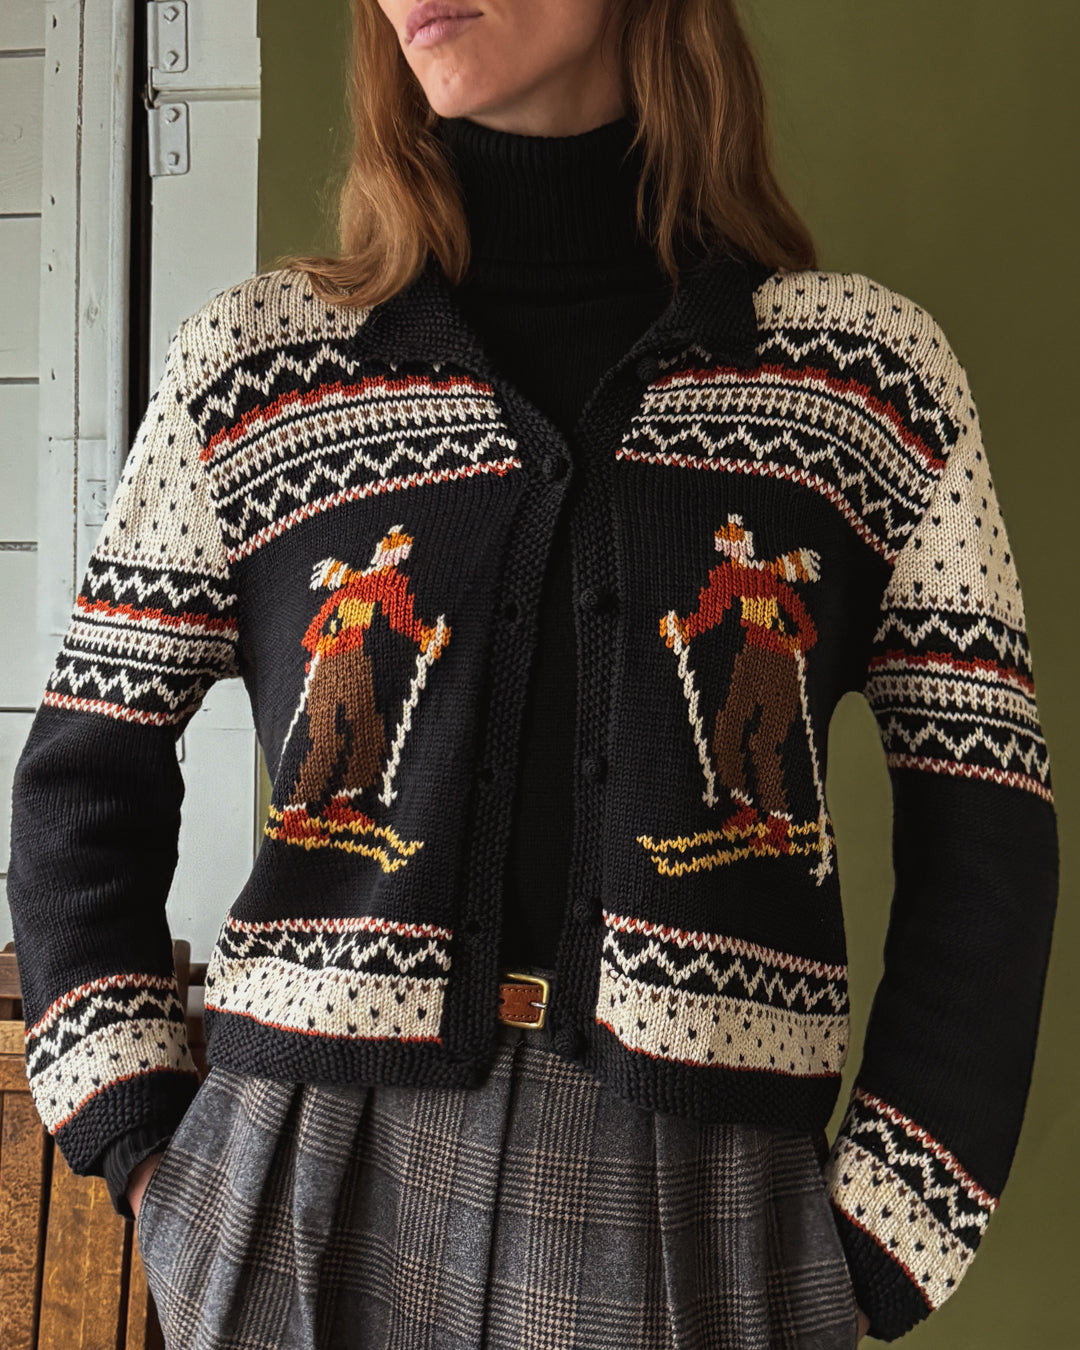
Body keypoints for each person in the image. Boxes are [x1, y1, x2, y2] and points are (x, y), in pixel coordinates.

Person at [6, 0, 1058, 1347]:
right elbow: (81, 779)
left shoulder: (864, 386)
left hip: (701, 1203)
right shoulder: (254, 371)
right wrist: (149, 1150)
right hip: (299, 1173)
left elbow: (987, 835)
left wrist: (881, 1239)